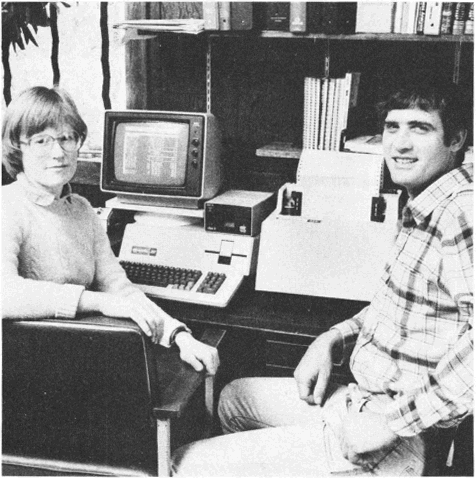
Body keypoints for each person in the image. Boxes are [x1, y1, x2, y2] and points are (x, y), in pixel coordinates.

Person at [171, 80, 473, 476]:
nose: (400, 144)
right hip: (362, 402)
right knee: (233, 400)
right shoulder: (422, 204)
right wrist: (332, 337)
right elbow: (402, 307)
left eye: (420, 128)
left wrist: (393, 423)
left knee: (183, 464)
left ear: (456, 140)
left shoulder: (462, 213)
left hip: (397, 434)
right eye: (392, 127)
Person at [2, 85, 219, 375]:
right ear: (17, 148)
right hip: (26, 370)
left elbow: (119, 288)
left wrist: (178, 336)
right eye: (41, 141)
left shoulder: (81, 209)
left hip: (80, 357)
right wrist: (100, 302)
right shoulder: (7, 206)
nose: (58, 152)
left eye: (67, 138)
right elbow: (4, 294)